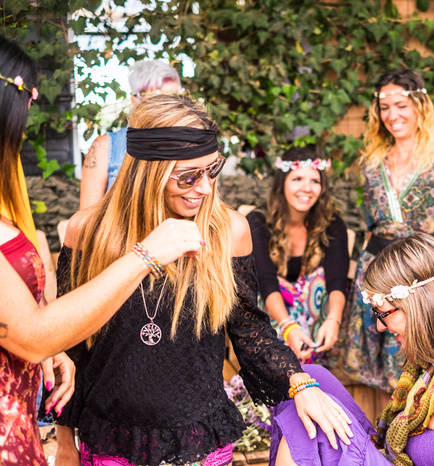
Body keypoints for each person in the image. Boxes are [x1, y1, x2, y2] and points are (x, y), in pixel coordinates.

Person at [54, 94, 352, 466]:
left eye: (212, 170)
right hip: (113, 440)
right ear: (147, 173)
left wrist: (300, 383)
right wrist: (65, 443)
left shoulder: (229, 230)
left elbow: (249, 330)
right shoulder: (87, 232)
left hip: (200, 441)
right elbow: (70, 347)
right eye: (188, 177)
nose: (205, 188)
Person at [0, 36, 204, 466]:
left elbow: (27, 320)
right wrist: (145, 252)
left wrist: (47, 335)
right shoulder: (106, 151)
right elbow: (88, 227)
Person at [270, 232, 434, 466]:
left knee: (306, 425)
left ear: (419, 306)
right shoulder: (430, 366)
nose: (379, 326)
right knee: (310, 382)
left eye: (384, 312)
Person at [342, 69, 434, 396]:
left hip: (420, 276)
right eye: (384, 107)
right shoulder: (371, 164)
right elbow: (368, 227)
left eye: (400, 105)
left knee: (424, 366)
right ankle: (381, 441)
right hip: (376, 273)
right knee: (376, 376)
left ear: (420, 106)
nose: (392, 115)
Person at [247, 146, 349, 363]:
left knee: (319, 282)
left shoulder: (332, 224)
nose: (307, 188)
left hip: (315, 320)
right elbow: (265, 281)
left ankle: (314, 354)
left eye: (315, 181)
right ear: (282, 182)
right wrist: (288, 327)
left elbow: (337, 280)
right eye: (297, 179)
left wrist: (334, 320)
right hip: (272, 316)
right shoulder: (257, 221)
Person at [79, 60, 183, 209]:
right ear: (135, 101)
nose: (167, 106)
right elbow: (86, 218)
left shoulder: (194, 142)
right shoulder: (105, 146)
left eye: (174, 96)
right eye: (156, 99)